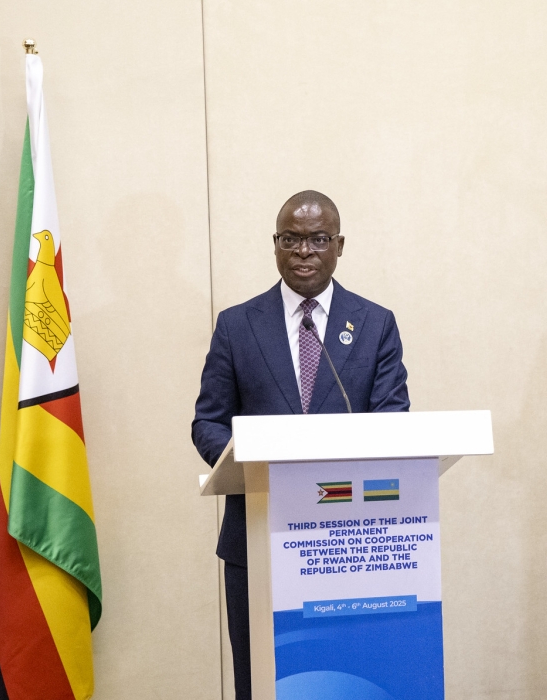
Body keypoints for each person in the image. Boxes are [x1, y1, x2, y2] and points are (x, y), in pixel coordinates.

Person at [192, 191, 410, 699]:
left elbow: (392, 418)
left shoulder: (375, 324)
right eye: (290, 239)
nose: (303, 251)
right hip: (257, 537)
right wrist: (250, 465)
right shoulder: (237, 324)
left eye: (317, 239)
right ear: (275, 246)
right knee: (264, 680)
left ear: (339, 245)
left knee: (347, 679)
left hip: (350, 541)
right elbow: (208, 422)